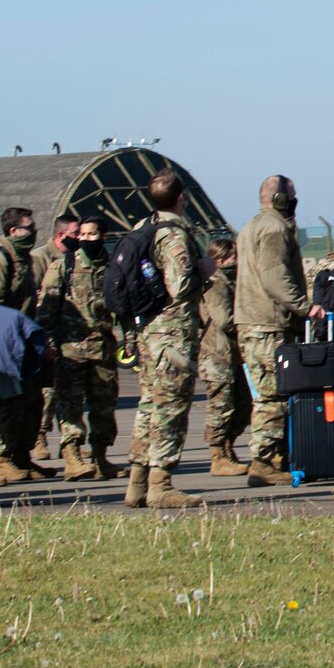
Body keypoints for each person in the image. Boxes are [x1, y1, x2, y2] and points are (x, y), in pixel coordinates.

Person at [124, 171, 207, 509]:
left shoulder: (142, 227)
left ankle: (137, 483)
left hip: (148, 332)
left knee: (149, 407)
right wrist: (205, 269)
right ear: (181, 198)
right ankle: (161, 484)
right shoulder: (173, 236)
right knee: (170, 408)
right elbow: (180, 285)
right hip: (171, 335)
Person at [235, 176, 324, 487]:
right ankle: (263, 461)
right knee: (272, 396)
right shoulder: (274, 229)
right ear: (281, 199)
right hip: (267, 323)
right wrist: (304, 307)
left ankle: (274, 456)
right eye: (293, 196)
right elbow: (275, 277)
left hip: (250, 320)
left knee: (266, 393)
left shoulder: (250, 227)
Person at [36, 217, 119, 481]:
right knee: (70, 406)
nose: (85, 239)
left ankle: (100, 456)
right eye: (82, 235)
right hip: (70, 350)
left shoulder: (113, 268)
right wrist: (48, 345)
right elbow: (46, 311)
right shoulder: (64, 266)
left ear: (103, 236)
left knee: (104, 407)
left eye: (92, 235)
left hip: (103, 350)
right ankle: (72, 457)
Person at [0, 206, 52, 483]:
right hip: (5, 345)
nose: (33, 233)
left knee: (31, 403)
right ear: (13, 231)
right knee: (5, 402)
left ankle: (22, 456)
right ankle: (3, 459)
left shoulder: (24, 259)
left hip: (25, 344)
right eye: (29, 228)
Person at [195, 237, 250, 476]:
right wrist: (250, 320)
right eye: (234, 257)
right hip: (217, 355)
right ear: (220, 259)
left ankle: (227, 448)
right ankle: (217, 455)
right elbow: (224, 319)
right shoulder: (215, 282)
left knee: (243, 404)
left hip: (233, 355)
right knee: (222, 406)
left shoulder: (232, 280)